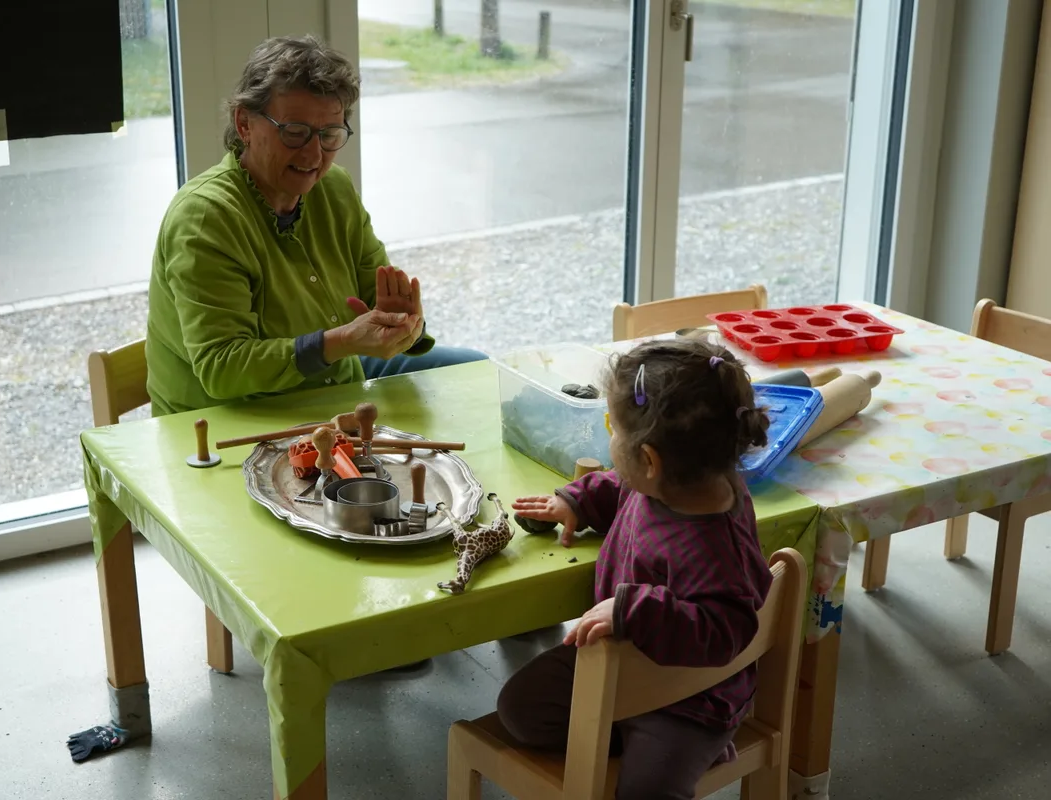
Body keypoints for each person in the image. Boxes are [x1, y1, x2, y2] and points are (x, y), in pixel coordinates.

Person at [145, 34, 486, 417]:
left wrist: (404, 325)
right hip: (228, 418)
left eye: (329, 135)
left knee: (481, 371)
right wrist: (339, 341)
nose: (313, 154)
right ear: (244, 123)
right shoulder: (206, 218)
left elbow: (375, 299)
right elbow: (222, 369)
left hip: (331, 385)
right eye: (294, 132)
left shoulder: (333, 187)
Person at [498, 339, 774, 800]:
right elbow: (620, 486)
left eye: (612, 428)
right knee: (520, 709)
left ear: (649, 459)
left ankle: (697, 744)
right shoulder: (669, 483)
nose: (610, 440)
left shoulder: (714, 545)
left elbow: (726, 631)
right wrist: (577, 500)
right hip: (623, 660)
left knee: (648, 789)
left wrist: (635, 610)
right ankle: (627, 728)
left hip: (688, 698)